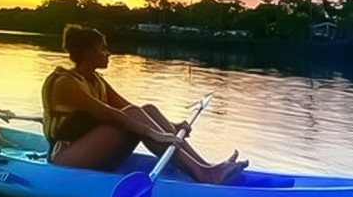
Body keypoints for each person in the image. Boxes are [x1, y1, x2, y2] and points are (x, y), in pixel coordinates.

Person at [41, 24, 247, 182]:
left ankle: (205, 167)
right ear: (87, 53)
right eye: (103, 49)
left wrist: (171, 126)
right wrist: (151, 132)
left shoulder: (96, 80)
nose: (108, 53)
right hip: (65, 158)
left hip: (90, 151)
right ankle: (203, 173)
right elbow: (107, 113)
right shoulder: (65, 83)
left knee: (147, 109)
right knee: (132, 116)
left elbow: (133, 109)